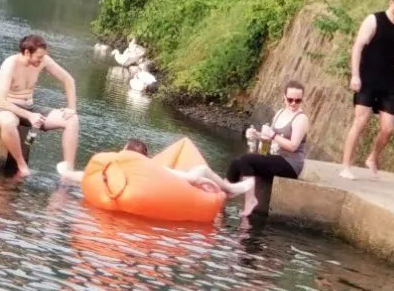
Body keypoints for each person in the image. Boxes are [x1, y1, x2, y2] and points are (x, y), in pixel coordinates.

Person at [340, 0, 394, 180]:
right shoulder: (374, 20)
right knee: (360, 122)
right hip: (368, 79)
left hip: (389, 83)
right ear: (391, 2)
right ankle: (346, 165)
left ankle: (372, 157)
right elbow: (357, 47)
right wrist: (355, 75)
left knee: (388, 128)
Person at [0, 34, 79, 179]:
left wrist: (71, 108)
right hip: (6, 107)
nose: (41, 60)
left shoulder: (44, 60)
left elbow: (68, 80)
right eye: (39, 57)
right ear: (27, 52)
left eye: (43, 57)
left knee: (72, 119)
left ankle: (68, 171)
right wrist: (30, 116)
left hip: (30, 108)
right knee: (8, 122)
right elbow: (0, 100)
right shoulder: (10, 65)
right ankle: (22, 165)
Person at [57, 137, 254, 197]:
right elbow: (188, 178)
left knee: (198, 174)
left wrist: (66, 172)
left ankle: (229, 188)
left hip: (148, 184)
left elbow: (85, 176)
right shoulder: (150, 169)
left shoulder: (117, 167)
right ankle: (229, 188)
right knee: (200, 171)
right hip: (161, 183)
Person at [226, 81, 309, 216]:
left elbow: (293, 146)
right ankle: (225, 193)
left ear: (302, 99)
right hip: (276, 157)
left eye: (298, 100)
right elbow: (270, 138)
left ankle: (248, 199)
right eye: (290, 100)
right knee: (237, 162)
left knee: (246, 160)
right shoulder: (280, 113)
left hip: (290, 164)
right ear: (284, 97)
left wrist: (273, 135)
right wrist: (257, 135)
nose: (293, 103)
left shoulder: (301, 119)